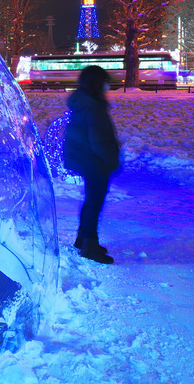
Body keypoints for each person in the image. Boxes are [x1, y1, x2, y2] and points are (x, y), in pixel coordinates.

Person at [63, 65, 120, 264]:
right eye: (105, 81)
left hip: (85, 158)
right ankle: (89, 245)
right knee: (94, 204)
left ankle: (83, 239)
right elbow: (99, 140)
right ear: (97, 83)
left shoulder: (83, 101)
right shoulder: (94, 107)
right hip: (94, 161)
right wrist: (112, 158)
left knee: (91, 202)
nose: (107, 86)